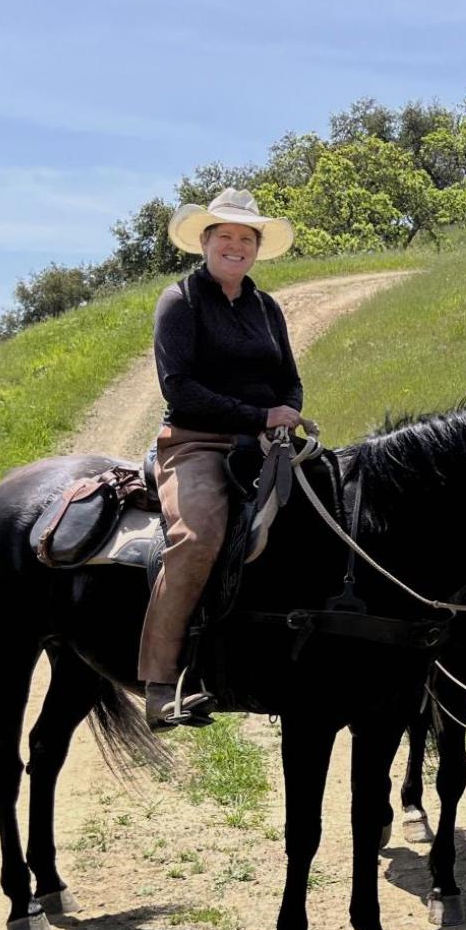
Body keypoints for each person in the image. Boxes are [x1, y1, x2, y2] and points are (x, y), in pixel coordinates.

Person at [137, 188, 304, 729]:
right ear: (205, 243)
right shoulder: (180, 302)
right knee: (199, 538)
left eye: (245, 239)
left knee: (340, 517)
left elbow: (290, 383)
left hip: (267, 444)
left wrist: (283, 416)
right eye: (225, 236)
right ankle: (162, 682)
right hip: (197, 442)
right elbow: (179, 389)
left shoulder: (266, 307)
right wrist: (257, 417)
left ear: (256, 248)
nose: (235, 246)